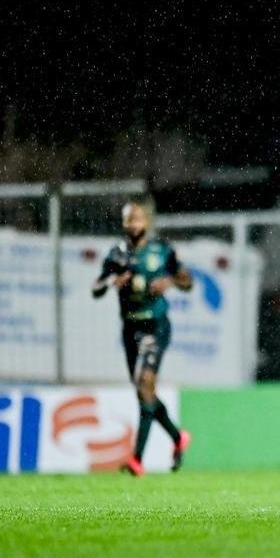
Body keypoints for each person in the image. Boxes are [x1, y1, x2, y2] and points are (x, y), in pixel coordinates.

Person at [92, 201, 193, 475]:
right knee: (144, 392)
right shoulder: (116, 254)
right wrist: (112, 283)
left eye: (137, 219)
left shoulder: (162, 251)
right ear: (123, 224)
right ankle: (177, 437)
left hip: (156, 326)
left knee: (145, 383)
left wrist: (169, 282)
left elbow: (188, 281)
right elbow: (96, 287)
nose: (132, 224)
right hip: (130, 329)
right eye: (128, 220)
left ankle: (137, 459)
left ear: (146, 222)